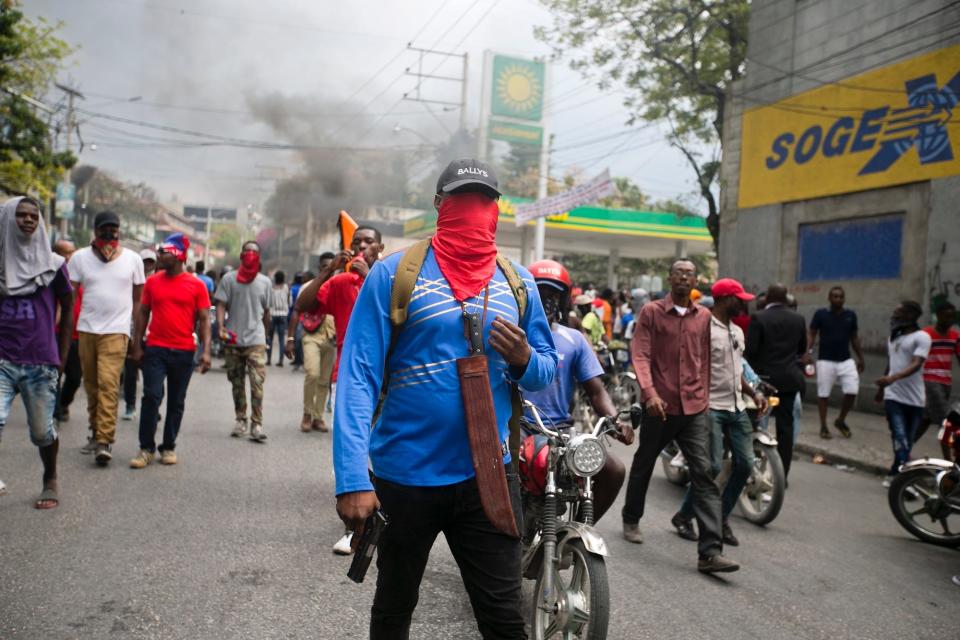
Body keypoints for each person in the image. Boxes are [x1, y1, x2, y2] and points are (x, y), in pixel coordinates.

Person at [333, 158, 557, 639]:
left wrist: (522, 358)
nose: (475, 210)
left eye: (486, 200)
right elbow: (358, 377)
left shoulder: (518, 284)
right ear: (439, 204)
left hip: (489, 476)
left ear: (496, 209)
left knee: (504, 618)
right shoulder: (394, 275)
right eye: (462, 199)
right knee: (395, 606)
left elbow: (544, 371)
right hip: (404, 475)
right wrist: (352, 477)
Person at [620, 258, 738, 573]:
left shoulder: (704, 318)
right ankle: (631, 518)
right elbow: (641, 355)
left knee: (704, 473)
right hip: (660, 407)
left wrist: (706, 397)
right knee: (644, 464)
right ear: (670, 278)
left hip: (695, 408)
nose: (684, 277)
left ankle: (710, 552)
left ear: (696, 281)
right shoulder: (652, 313)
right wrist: (650, 393)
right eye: (679, 273)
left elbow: (705, 360)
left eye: (690, 274)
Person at [295, 227, 384, 554]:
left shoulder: (391, 277)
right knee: (353, 447)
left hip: (389, 378)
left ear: (380, 247)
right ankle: (355, 527)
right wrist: (329, 271)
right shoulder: (342, 282)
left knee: (385, 448)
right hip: (352, 377)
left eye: (368, 242)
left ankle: (384, 514)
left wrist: (372, 275)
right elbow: (304, 304)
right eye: (356, 242)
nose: (361, 246)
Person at [524, 259, 635, 521]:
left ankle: (577, 530)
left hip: (560, 432)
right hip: (516, 429)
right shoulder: (513, 332)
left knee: (614, 470)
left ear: (564, 299)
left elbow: (596, 391)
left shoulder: (574, 339)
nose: (548, 300)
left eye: (554, 294)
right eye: (541, 293)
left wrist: (615, 419)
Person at [671, 279, 768, 548]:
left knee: (745, 464)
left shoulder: (737, 331)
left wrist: (753, 393)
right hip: (710, 407)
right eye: (740, 299)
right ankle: (684, 516)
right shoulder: (703, 328)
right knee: (711, 468)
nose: (745, 304)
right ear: (725, 299)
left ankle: (721, 517)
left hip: (736, 407)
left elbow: (736, 372)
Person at [0, 196, 72, 508]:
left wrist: (63, 355)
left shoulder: (54, 266)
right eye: (21, 215)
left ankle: (50, 477)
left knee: (43, 431)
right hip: (2, 358)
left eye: (34, 216)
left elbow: (68, 311)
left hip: (40, 360)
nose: (29, 220)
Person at [69, 211, 146, 465]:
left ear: (119, 231)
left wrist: (136, 338)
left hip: (117, 331)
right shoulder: (79, 258)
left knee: (109, 385)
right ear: (95, 231)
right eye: (105, 229)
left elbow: (138, 303)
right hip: (87, 331)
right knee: (91, 386)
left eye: (114, 229)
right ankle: (94, 431)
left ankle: (104, 440)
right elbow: (69, 299)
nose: (110, 234)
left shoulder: (133, 260)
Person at [128, 233, 211, 468]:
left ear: (178, 256)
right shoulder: (153, 282)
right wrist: (136, 345)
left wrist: (206, 352)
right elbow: (143, 313)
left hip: (184, 351)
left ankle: (168, 446)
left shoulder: (197, 285)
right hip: (155, 349)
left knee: (176, 401)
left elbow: (204, 319)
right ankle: (146, 448)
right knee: (151, 396)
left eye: (164, 252)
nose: (159, 255)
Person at [745, 284, 807, 481]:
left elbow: (751, 351)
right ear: (787, 298)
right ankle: (782, 476)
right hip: (789, 381)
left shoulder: (759, 317)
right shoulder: (798, 318)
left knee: (756, 425)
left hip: (764, 382)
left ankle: (753, 475)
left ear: (768, 297)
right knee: (786, 429)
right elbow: (801, 348)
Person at [214, 241, 271, 442]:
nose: (250, 255)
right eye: (247, 251)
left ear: (259, 257)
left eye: (254, 252)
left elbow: (267, 312)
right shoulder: (229, 279)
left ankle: (257, 424)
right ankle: (241, 419)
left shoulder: (265, 282)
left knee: (257, 383)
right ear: (240, 255)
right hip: (233, 339)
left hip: (256, 340)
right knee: (236, 383)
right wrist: (221, 326)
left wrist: (266, 336)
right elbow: (220, 304)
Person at [876, 301, 931, 487]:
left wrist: (893, 378)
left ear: (910, 316)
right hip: (894, 397)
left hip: (915, 399)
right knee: (900, 437)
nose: (894, 316)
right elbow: (891, 365)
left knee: (906, 441)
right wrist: (882, 388)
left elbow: (917, 363)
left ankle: (895, 473)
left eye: (898, 313)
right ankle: (906, 482)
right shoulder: (894, 338)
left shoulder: (922, 337)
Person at [806, 286, 865, 439]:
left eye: (840, 297)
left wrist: (861, 358)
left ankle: (840, 420)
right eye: (834, 296)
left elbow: (854, 338)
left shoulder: (850, 315)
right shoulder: (821, 314)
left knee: (852, 390)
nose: (837, 299)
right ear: (829, 298)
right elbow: (812, 334)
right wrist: (807, 352)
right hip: (825, 360)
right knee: (823, 394)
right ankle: (824, 426)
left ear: (844, 299)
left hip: (846, 360)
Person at [286, 255, 336, 433]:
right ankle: (307, 414)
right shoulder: (308, 287)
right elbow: (296, 311)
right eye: (325, 266)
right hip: (311, 335)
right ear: (319, 267)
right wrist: (290, 339)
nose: (328, 269)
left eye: (332, 266)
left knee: (324, 380)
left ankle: (318, 416)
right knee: (312, 373)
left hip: (332, 337)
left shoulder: (339, 284)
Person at [917, 302, 960, 446]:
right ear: (938, 316)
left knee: (926, 418)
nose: (950, 320)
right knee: (947, 421)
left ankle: (905, 447)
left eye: (952, 317)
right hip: (929, 380)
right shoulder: (926, 334)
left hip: (945, 382)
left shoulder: (955, 336)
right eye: (947, 316)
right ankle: (950, 460)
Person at [121, 248, 157, 421]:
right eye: (145, 262)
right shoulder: (130, 282)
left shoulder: (157, 282)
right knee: (130, 372)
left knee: (153, 375)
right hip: (132, 332)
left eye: (151, 262)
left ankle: (153, 407)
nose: (148, 265)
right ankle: (130, 405)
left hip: (152, 335)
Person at [52, 239, 82, 423]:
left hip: (78, 335)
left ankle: (63, 402)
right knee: (55, 375)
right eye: (65, 253)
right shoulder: (51, 276)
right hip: (56, 334)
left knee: (75, 377)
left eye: (72, 252)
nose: (69, 257)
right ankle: (53, 412)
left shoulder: (81, 277)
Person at [266, 270, 289, 367]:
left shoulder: (271, 288)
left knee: (269, 338)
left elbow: (268, 301)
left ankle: (269, 360)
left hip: (272, 315)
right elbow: (288, 299)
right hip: (283, 315)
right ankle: (281, 360)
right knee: (281, 339)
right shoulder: (286, 287)